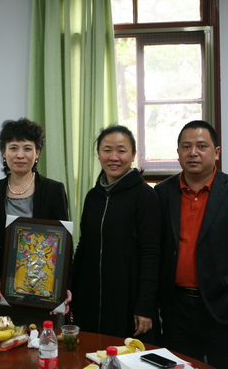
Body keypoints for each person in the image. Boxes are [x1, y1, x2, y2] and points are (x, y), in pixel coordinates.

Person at [154, 120, 228, 369]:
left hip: (224, 309)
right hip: (177, 310)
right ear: (178, 153)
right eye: (186, 146)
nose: (193, 152)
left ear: (216, 152)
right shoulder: (162, 193)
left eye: (201, 146)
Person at [70, 125, 161, 341]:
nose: (114, 157)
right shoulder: (93, 196)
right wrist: (72, 291)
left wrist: (145, 305)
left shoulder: (145, 196)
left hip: (128, 302)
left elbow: (151, 255)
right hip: (90, 301)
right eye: (107, 150)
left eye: (121, 150)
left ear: (133, 155)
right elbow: (84, 245)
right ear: (98, 153)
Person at [0, 118, 71, 325]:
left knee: (45, 341)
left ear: (37, 153)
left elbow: (64, 242)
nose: (20, 155)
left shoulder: (54, 190)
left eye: (27, 148)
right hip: (6, 289)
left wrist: (65, 284)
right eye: (13, 148)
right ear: (3, 152)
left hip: (46, 288)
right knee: (8, 340)